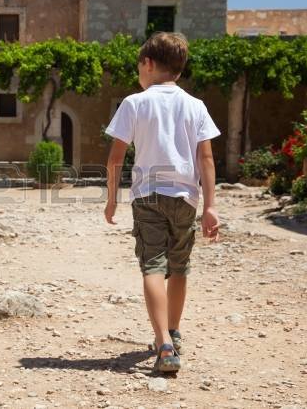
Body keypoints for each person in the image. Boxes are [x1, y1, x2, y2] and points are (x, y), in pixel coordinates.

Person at [104, 32, 221, 373]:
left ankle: (164, 345)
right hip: (186, 198)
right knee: (179, 268)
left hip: (148, 196)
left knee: (152, 266)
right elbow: (207, 159)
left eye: (139, 67)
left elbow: (115, 158)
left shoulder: (134, 103)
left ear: (149, 64)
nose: (138, 74)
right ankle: (173, 331)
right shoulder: (196, 106)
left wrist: (112, 199)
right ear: (180, 71)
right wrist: (210, 206)